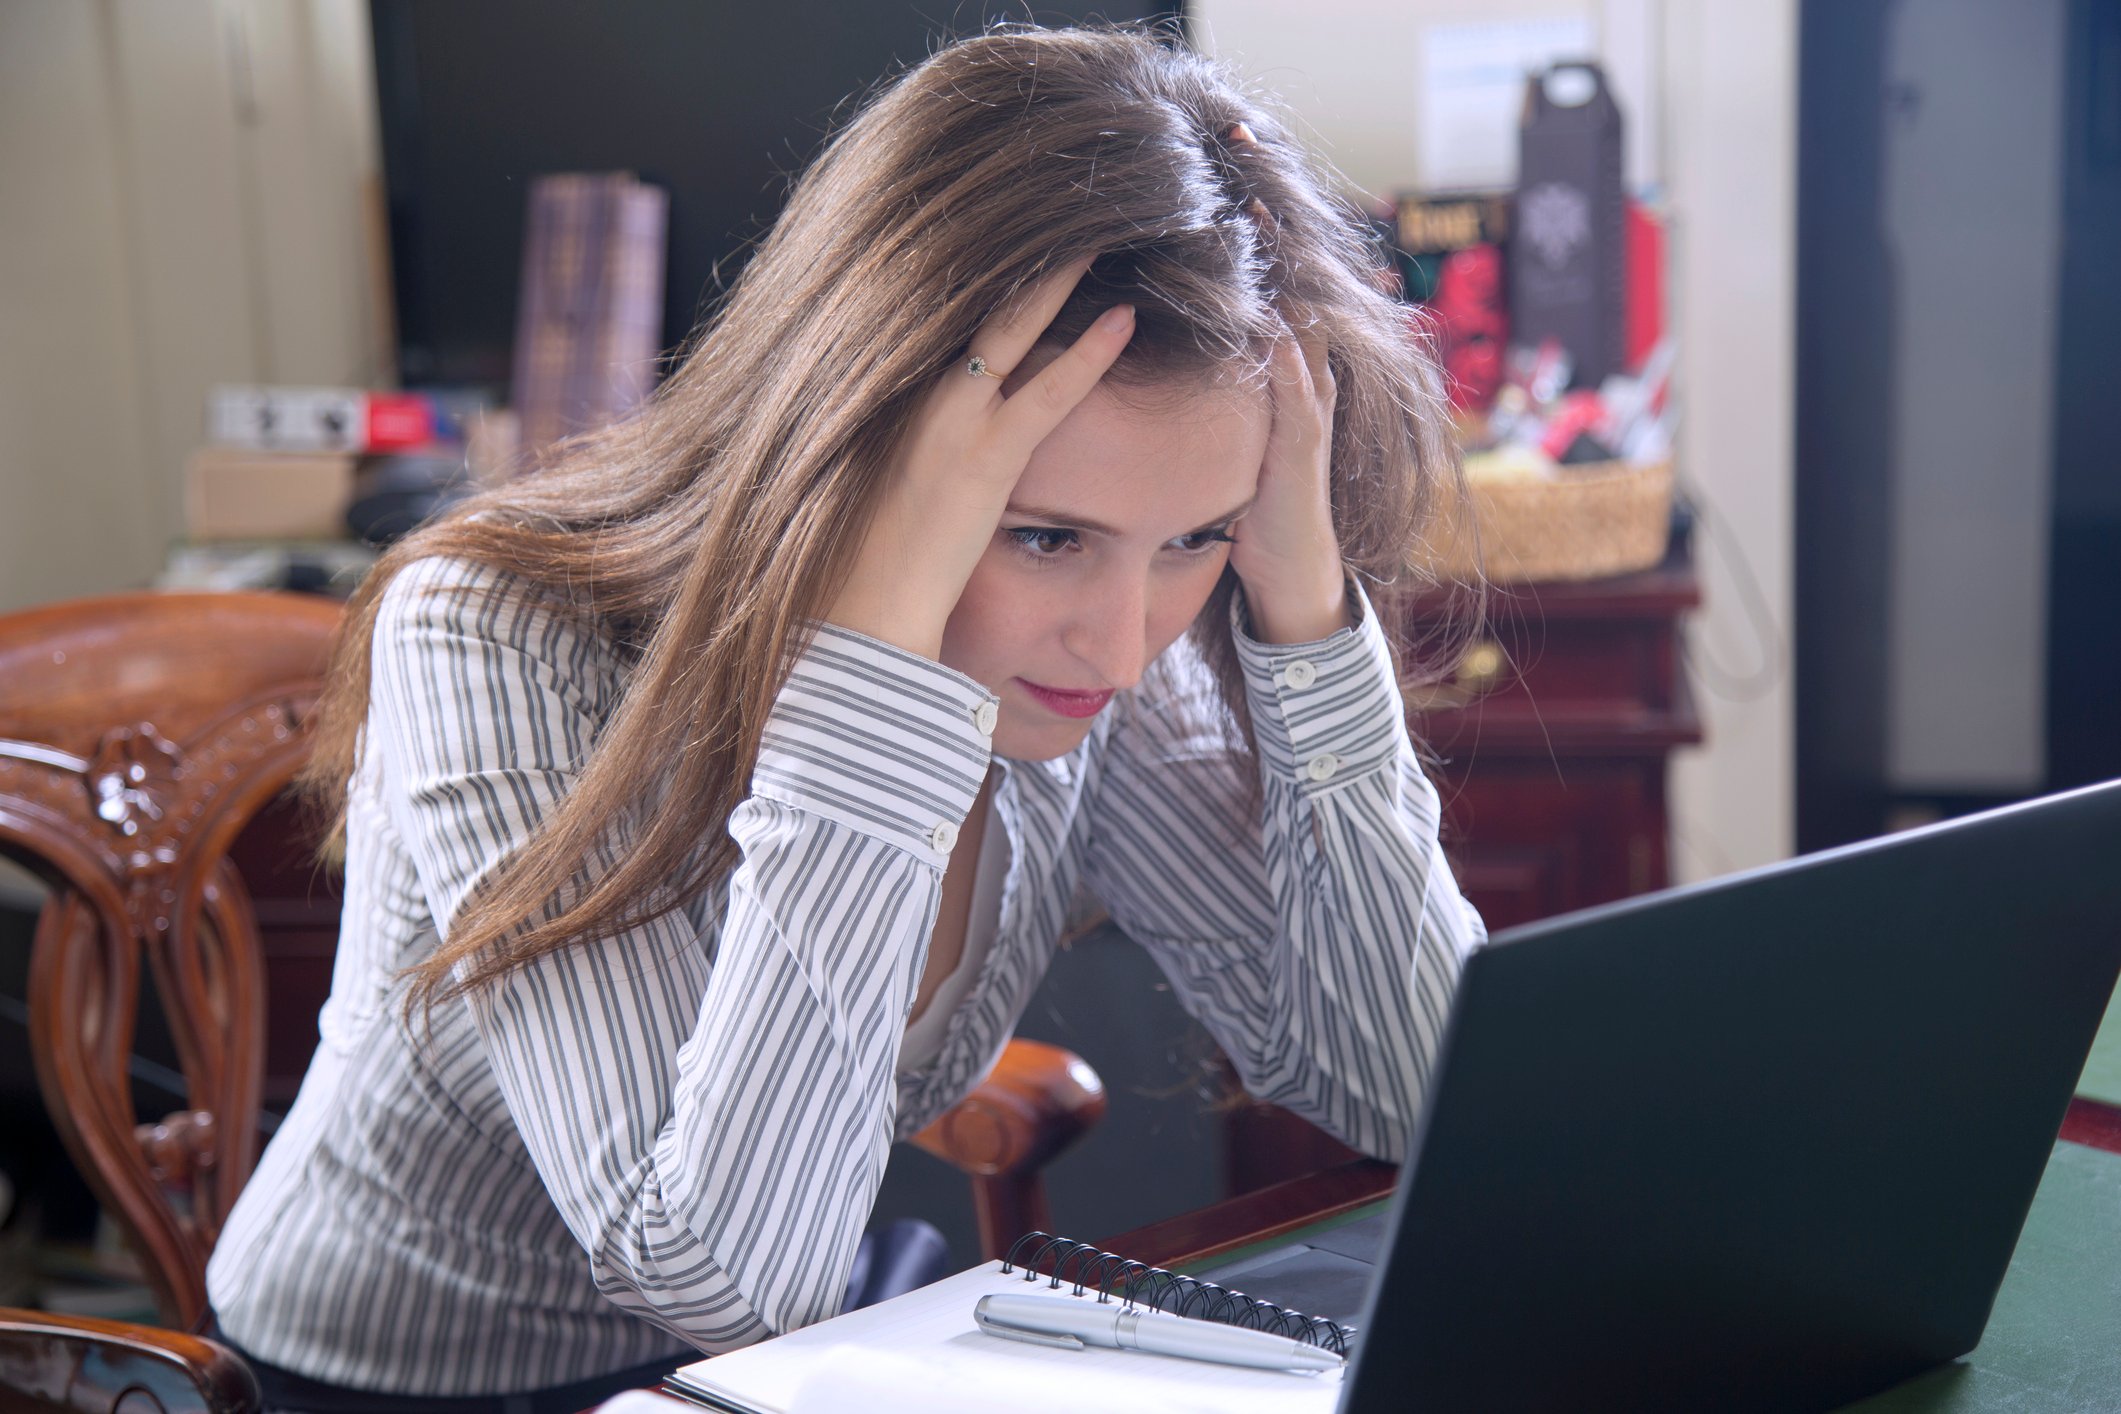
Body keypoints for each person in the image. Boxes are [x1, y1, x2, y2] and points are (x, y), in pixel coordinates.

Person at [204, 23, 1486, 1410]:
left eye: (1195, 536)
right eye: (1045, 535)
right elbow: (728, 1277)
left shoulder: (1085, 652)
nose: (1123, 645)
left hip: (788, 1354)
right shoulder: (496, 628)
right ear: (852, 444)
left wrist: (1305, 614)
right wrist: (882, 666)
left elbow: (1421, 1091)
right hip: (386, 1382)